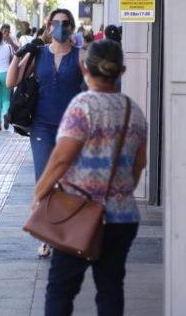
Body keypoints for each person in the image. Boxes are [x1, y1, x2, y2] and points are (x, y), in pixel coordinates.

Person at [34, 39, 147, 316]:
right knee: (110, 288)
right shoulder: (134, 111)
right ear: (122, 70)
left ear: (85, 68)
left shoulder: (82, 106)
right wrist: (118, 192)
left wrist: (40, 195)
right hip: (122, 217)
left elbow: (61, 158)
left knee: (61, 289)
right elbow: (139, 164)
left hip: (78, 213)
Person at [7, 9, 84, 258]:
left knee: (69, 180)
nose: (60, 27)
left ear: (72, 27)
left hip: (72, 127)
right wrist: (21, 54)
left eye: (65, 23)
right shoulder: (38, 54)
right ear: (49, 27)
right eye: (56, 23)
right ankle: (47, 237)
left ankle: (67, 232)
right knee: (45, 179)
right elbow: (11, 81)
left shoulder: (81, 56)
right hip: (42, 126)